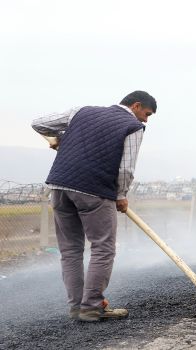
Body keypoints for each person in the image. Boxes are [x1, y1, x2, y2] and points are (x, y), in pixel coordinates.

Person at [31, 91, 157, 322]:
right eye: (147, 114)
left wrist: (60, 137)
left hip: (58, 187)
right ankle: (91, 307)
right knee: (103, 248)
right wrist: (121, 195)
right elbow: (126, 168)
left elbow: (37, 123)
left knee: (70, 251)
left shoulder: (81, 111)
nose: (146, 120)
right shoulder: (132, 126)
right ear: (136, 106)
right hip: (94, 191)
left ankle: (77, 307)